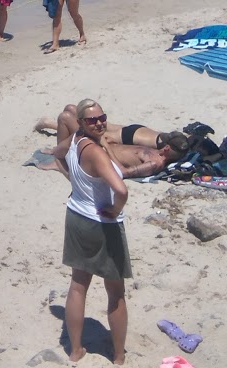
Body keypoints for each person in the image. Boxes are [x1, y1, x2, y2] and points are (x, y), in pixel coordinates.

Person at [56, 98, 131, 363]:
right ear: (81, 123)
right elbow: (121, 190)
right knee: (115, 293)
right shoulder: (95, 153)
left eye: (102, 118)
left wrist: (71, 178)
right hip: (102, 224)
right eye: (92, 120)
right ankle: (119, 355)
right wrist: (114, 208)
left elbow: (56, 152)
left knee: (78, 285)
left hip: (76, 215)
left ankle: (76, 350)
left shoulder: (75, 141)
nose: (99, 123)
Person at [39, 106, 191, 178]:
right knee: (71, 109)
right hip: (104, 144)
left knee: (65, 117)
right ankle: (60, 152)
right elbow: (129, 150)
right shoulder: (155, 151)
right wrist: (111, 142)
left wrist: (105, 146)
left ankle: (61, 162)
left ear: (167, 149)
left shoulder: (154, 163)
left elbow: (123, 173)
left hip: (97, 151)